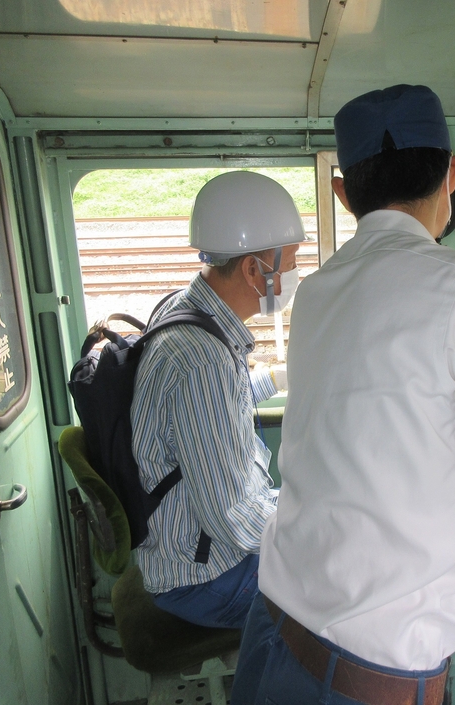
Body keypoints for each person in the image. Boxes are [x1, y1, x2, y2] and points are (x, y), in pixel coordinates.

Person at [231, 85, 455, 704]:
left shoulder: (317, 293)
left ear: (341, 192)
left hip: (272, 626)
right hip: (368, 670)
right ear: (452, 173)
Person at [130, 170, 304, 629]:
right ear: (253, 269)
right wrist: (308, 533)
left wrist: (281, 377)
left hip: (196, 543)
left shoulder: (184, 308)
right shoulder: (202, 361)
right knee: (343, 588)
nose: (293, 274)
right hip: (205, 576)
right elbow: (232, 518)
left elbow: (216, 408)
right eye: (289, 263)